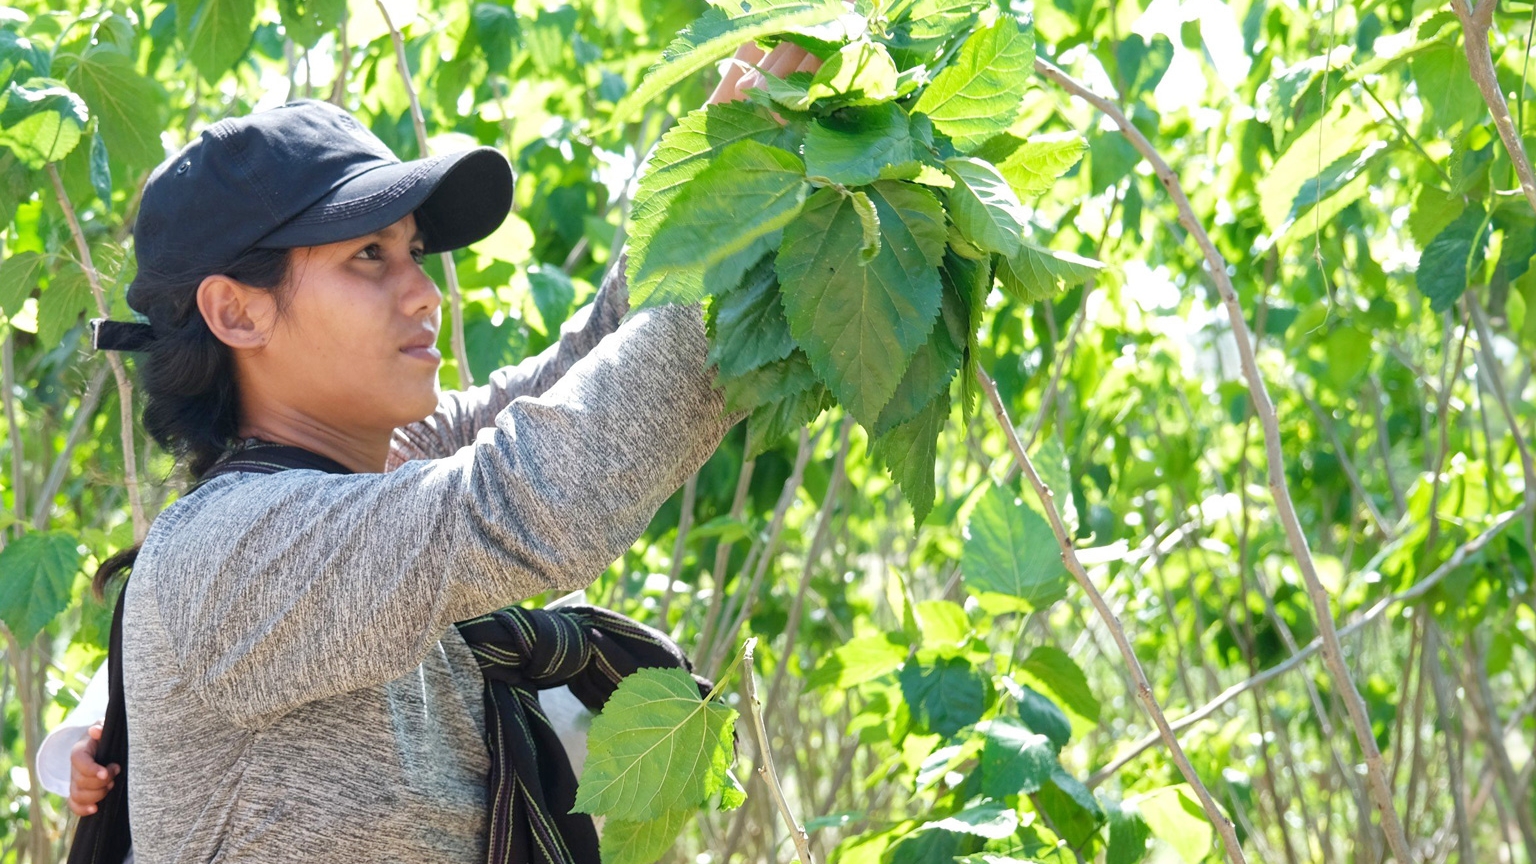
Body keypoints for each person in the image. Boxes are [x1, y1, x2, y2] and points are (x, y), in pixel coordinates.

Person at [76, 39, 819, 864]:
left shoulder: (370, 474)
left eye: (415, 252)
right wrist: (751, 237)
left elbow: (577, 373)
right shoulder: (232, 547)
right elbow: (533, 497)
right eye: (369, 256)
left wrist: (709, 195)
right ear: (238, 313)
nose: (426, 291)